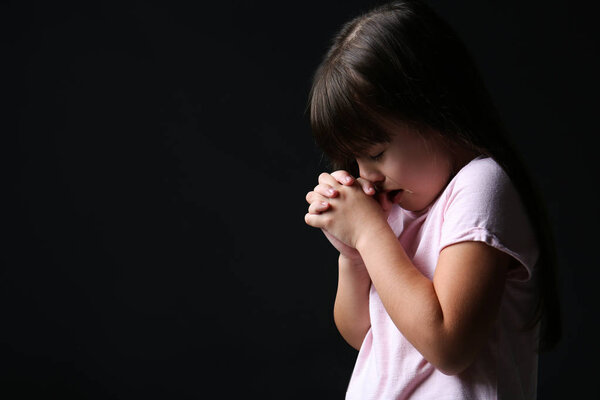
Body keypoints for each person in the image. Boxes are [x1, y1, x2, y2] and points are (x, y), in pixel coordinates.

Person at [303, 1, 561, 398]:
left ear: (435, 111)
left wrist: (369, 234)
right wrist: (352, 254)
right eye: (354, 159)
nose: (365, 174)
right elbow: (363, 335)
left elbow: (448, 344)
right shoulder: (399, 209)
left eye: (375, 153)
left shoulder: (480, 184)